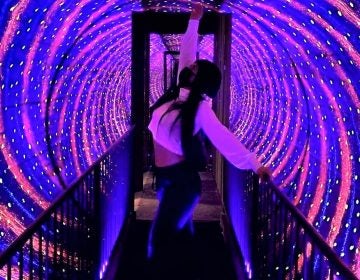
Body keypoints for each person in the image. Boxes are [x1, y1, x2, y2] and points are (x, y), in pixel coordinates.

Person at [146, 3, 272, 279]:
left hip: (182, 184)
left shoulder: (201, 110)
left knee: (158, 241)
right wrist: (194, 21)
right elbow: (187, 55)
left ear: (200, 79)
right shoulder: (178, 97)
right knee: (178, 236)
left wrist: (255, 164)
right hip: (167, 180)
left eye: (194, 67)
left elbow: (226, 141)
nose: (189, 65)